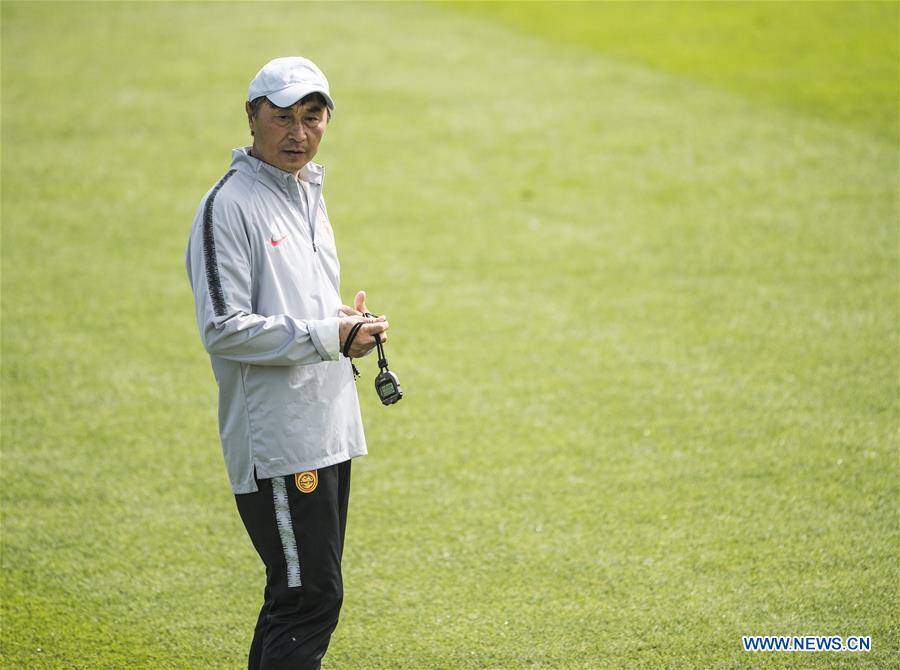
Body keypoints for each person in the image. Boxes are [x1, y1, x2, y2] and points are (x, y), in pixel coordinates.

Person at [185, 56, 388, 670]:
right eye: (282, 118)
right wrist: (329, 334)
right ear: (251, 117)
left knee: (298, 594)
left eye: (312, 116)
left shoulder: (307, 191)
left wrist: (344, 324)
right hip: (279, 443)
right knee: (309, 596)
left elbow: (297, 302)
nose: (299, 133)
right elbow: (223, 329)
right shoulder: (229, 206)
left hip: (325, 428)